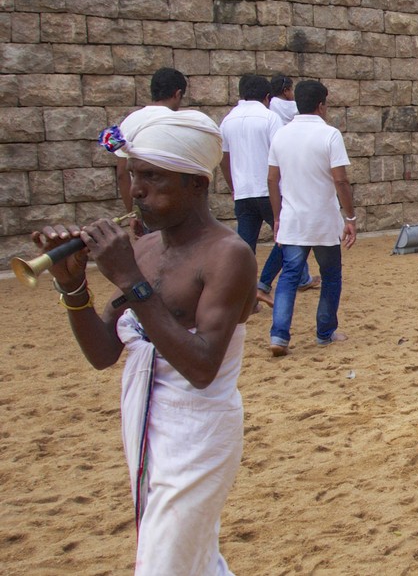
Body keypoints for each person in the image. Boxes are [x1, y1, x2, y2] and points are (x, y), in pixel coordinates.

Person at [37, 110, 255, 574]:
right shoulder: (145, 247)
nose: (136, 190)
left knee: (163, 564)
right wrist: (72, 286)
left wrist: (131, 279)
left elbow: (201, 368)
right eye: (134, 175)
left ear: (197, 182)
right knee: (191, 561)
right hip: (145, 425)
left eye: (153, 177)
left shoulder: (228, 255)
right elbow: (103, 354)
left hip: (199, 434)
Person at [267, 80, 356, 356]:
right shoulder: (330, 135)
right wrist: (350, 217)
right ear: (321, 105)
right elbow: (340, 180)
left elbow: (272, 179)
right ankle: (324, 332)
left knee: (289, 276)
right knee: (330, 275)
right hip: (323, 220)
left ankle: (279, 335)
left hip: (293, 218)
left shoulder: (281, 135)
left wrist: (277, 216)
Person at [219, 74, 314, 309]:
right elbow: (282, 151)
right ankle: (264, 284)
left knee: (245, 248)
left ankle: (246, 297)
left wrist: (233, 186)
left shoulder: (227, 120)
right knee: (289, 238)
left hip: (243, 192)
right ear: (267, 97)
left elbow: (224, 158)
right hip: (270, 190)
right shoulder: (270, 118)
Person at [114, 68, 187, 231]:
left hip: (146, 206)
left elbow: (121, 174)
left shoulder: (129, 122)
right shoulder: (180, 122)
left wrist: (132, 213)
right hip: (176, 207)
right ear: (177, 94)